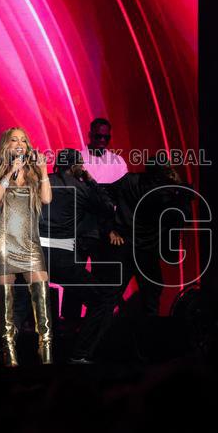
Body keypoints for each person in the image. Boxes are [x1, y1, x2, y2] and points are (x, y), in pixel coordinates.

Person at [39, 148, 121, 364]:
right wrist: (91, 181)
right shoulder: (81, 187)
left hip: (34, 257)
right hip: (62, 259)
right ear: (76, 167)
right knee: (104, 298)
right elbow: (108, 208)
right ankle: (79, 354)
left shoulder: (41, 182)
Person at [0, 127, 52, 366]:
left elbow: (46, 199)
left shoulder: (34, 172)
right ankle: (9, 352)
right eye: (14, 140)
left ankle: (46, 350)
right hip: (3, 240)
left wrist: (44, 171)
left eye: (23, 140)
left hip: (28, 241)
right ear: (6, 145)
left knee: (41, 290)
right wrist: (9, 173)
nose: (20, 143)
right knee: (6, 299)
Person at [106, 155, 193, 317]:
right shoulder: (166, 192)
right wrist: (180, 188)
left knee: (109, 297)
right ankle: (148, 331)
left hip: (124, 246)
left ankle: (96, 331)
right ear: (165, 171)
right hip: (146, 251)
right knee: (151, 297)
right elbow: (183, 217)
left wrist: (110, 228)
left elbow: (105, 195)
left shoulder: (129, 180)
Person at [61, 117, 128, 320]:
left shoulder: (117, 162)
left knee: (102, 274)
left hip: (106, 228)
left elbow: (122, 197)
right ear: (90, 135)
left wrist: (115, 227)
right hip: (80, 226)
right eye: (98, 136)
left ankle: (95, 320)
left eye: (106, 138)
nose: (102, 141)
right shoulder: (78, 159)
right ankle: (70, 320)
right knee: (75, 273)